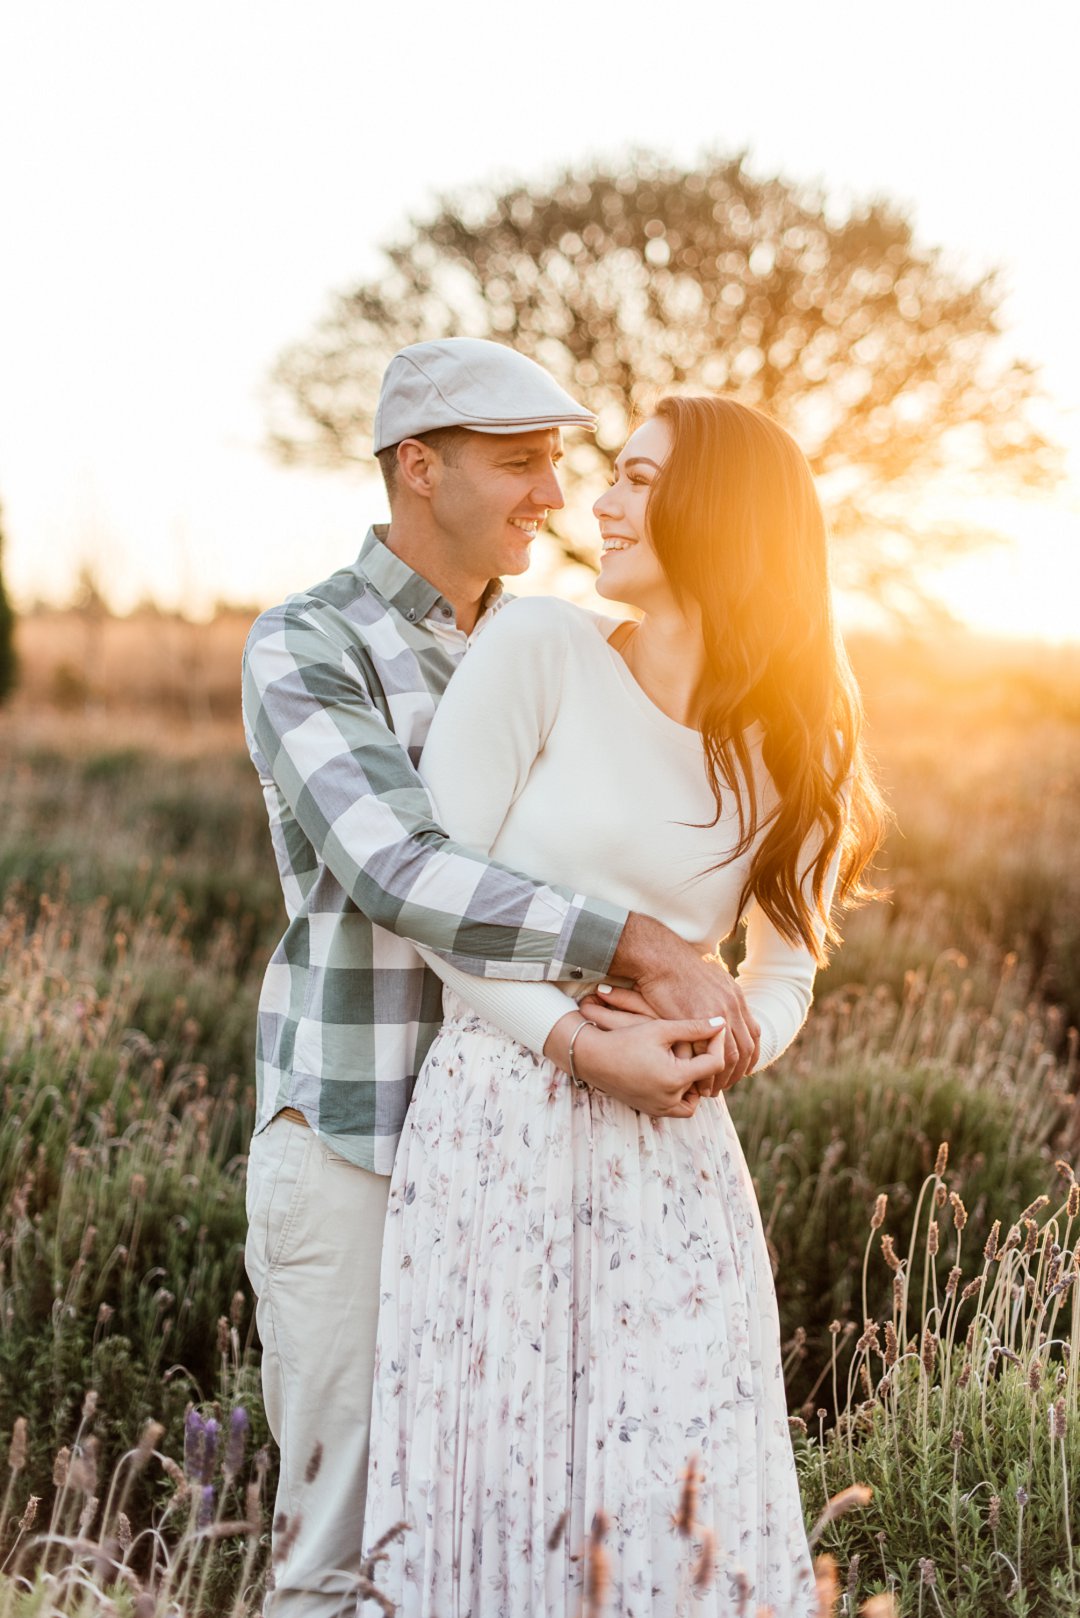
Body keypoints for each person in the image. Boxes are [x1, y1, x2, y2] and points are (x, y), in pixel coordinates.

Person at [241, 340, 761, 1618]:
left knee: (515, 1542)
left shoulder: (565, 645)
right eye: (521, 462)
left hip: (523, 1165)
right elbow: (397, 870)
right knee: (349, 1551)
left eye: (561, 463)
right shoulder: (310, 644)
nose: (553, 493)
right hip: (364, 1140)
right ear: (420, 469)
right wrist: (638, 944)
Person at [362, 394, 887, 1616]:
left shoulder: (789, 743)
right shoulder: (540, 647)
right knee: (501, 1480)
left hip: (673, 1158)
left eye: (641, 481)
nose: (598, 502)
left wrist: (712, 1052)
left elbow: (788, 968)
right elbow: (432, 891)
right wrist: (573, 1040)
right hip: (501, 1119)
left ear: (726, 517)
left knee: (671, 1489)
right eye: (614, 477)